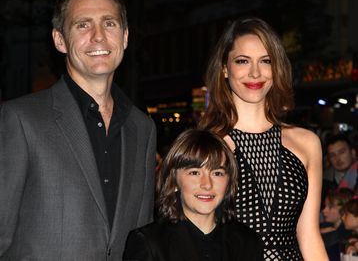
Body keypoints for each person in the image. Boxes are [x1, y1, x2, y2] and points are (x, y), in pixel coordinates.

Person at [0, 0, 156, 260]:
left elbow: (139, 240)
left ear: (125, 37)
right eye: (83, 25)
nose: (98, 36)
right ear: (60, 40)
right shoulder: (20, 120)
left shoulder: (142, 128)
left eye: (109, 23)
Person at [198, 17, 328, 260]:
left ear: (276, 67)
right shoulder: (207, 147)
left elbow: (309, 237)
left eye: (265, 61)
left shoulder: (307, 143)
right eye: (242, 61)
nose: (255, 72)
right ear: (225, 68)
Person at [123, 129, 264, 261]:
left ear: (229, 181)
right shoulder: (149, 243)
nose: (207, 184)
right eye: (195, 172)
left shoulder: (248, 242)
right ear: (174, 180)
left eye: (217, 173)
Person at [320, 188, 354, 261]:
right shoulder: (324, 226)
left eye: (330, 207)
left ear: (342, 209)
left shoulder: (346, 235)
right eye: (325, 206)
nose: (324, 210)